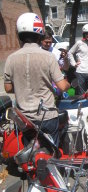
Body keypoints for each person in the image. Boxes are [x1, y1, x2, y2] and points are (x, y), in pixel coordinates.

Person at [4, 12, 70, 148]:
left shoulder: (11, 58)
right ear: (40, 35)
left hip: (25, 119)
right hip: (47, 116)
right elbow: (62, 86)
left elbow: (8, 88)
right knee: (51, 153)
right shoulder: (48, 57)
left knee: (31, 154)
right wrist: (68, 83)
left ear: (19, 34)